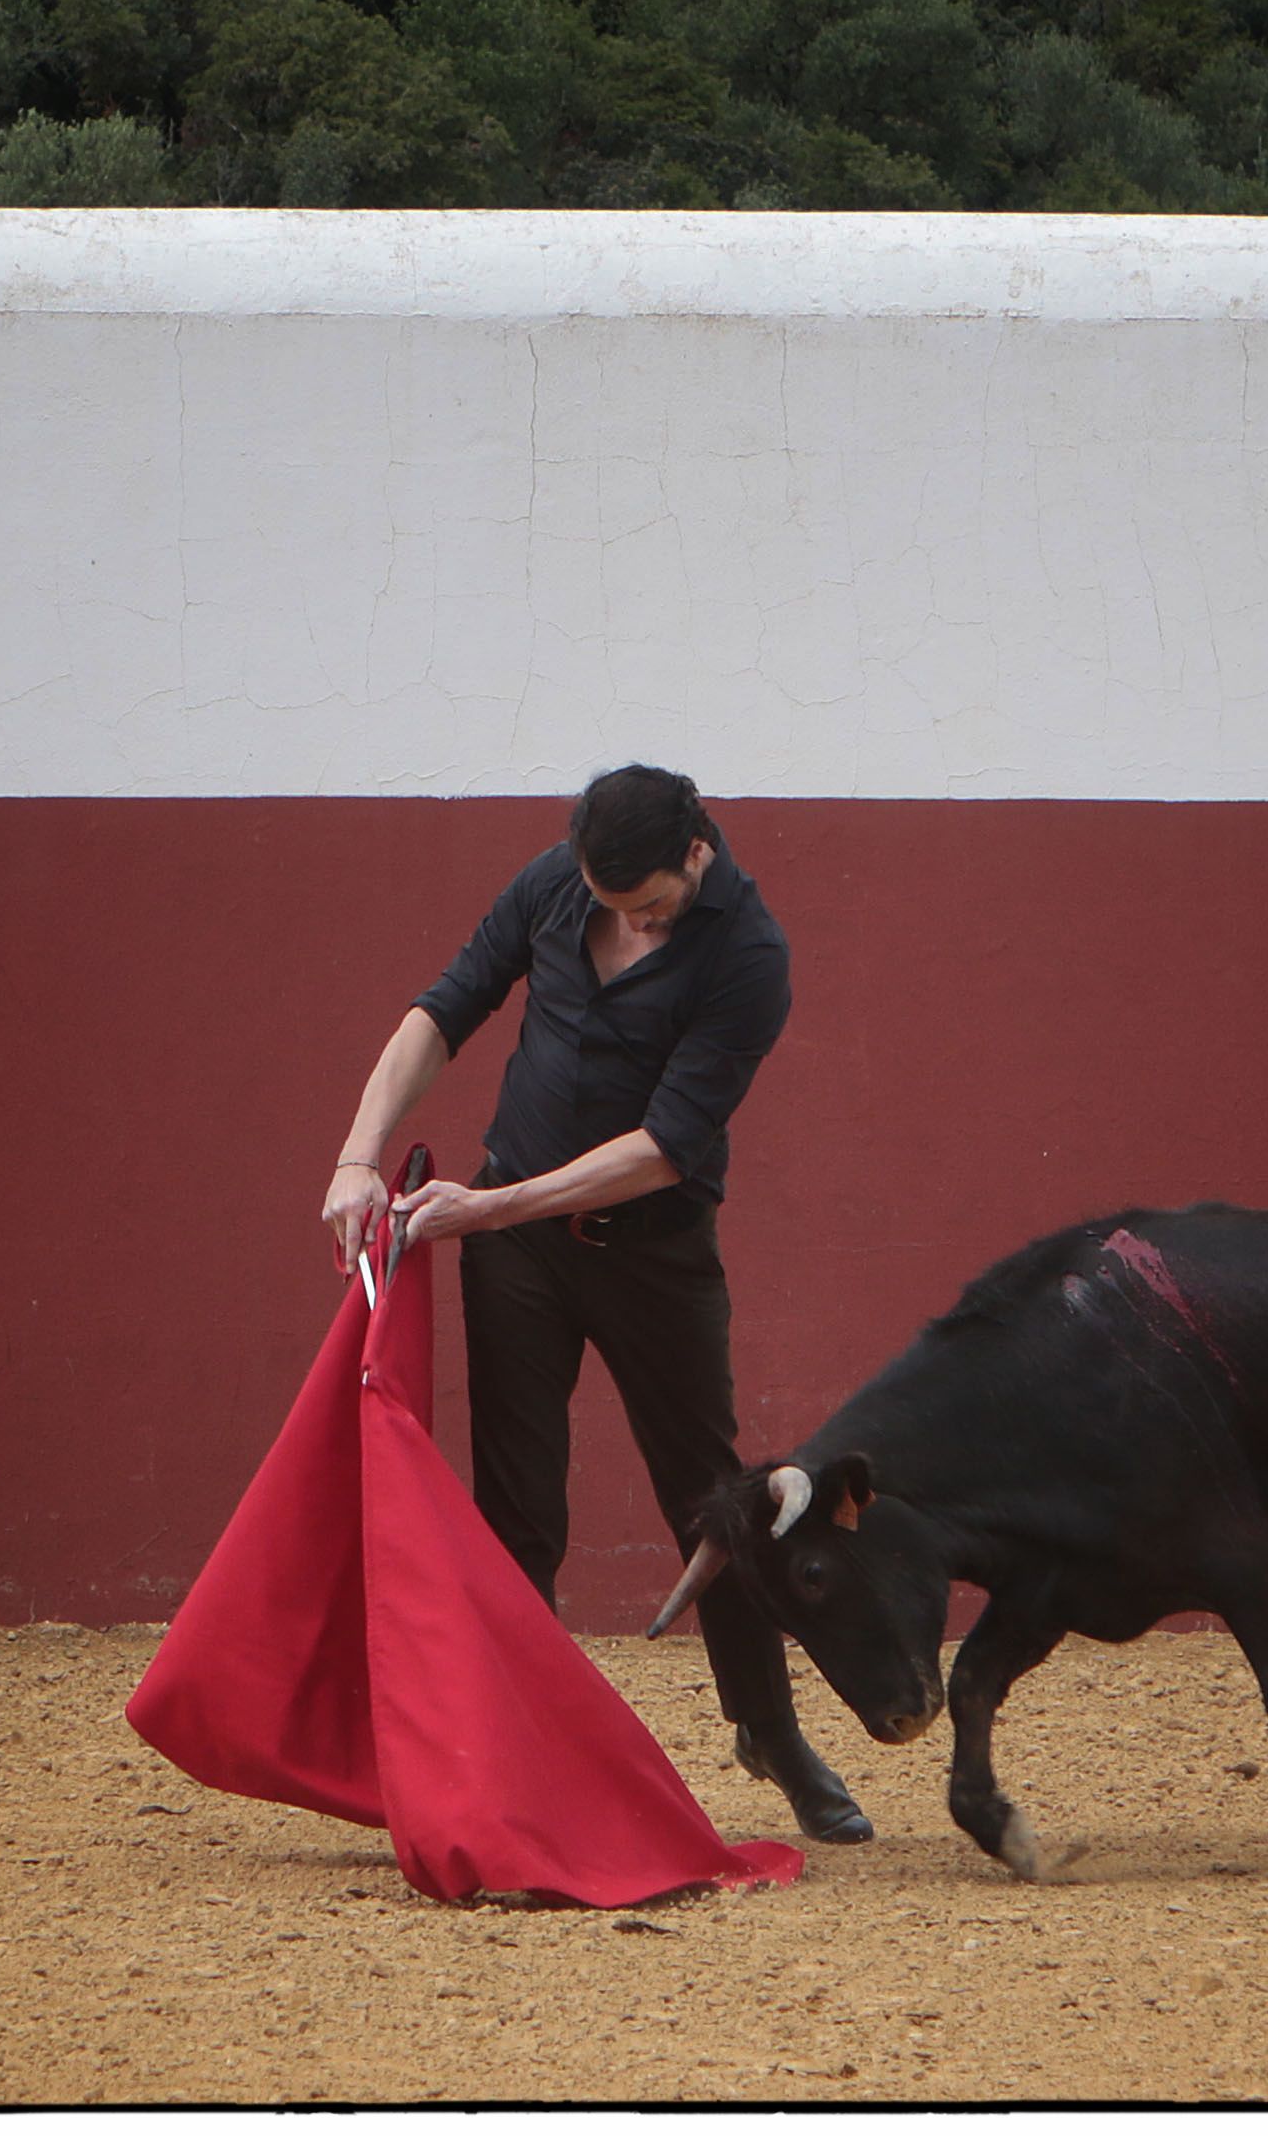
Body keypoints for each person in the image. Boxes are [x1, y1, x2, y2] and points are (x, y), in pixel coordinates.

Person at [320, 763, 871, 1844]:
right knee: (517, 1507)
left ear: (697, 853)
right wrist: (356, 1154)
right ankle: (508, 1756)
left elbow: (667, 1148)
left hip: (651, 1256)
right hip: (516, 1251)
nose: (629, 921)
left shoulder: (750, 956)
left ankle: (768, 1729)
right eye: (611, 903)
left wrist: (490, 1205)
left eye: (650, 905)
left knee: (713, 1502)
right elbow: (445, 1008)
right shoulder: (553, 884)